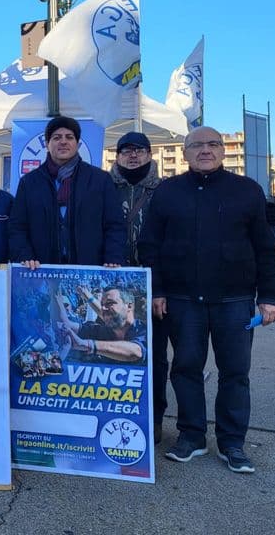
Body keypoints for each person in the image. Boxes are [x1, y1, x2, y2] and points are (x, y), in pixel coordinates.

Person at [139, 126, 275, 473]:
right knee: (186, 368)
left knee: (235, 372)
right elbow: (150, 246)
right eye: (197, 145)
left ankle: (233, 443)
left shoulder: (247, 191)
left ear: (222, 152)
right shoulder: (168, 192)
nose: (206, 150)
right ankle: (191, 435)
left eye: (214, 144)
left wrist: (270, 296)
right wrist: (156, 290)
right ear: (185, 153)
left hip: (234, 300)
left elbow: (267, 248)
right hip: (182, 299)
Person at [109, 130, 167, 442]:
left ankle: (155, 417)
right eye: (127, 150)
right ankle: (116, 413)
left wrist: (160, 286)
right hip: (113, 285)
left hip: (152, 285)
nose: (133, 155)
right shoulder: (104, 187)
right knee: (114, 353)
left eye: (140, 149)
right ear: (117, 156)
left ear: (149, 154)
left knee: (154, 356)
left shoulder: (165, 190)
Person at [9, 115, 126, 269]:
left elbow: (114, 225)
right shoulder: (30, 182)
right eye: (56, 137)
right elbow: (17, 227)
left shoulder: (100, 180)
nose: (63, 141)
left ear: (77, 144)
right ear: (47, 144)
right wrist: (25, 255)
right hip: (42, 269)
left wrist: (113, 256)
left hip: (90, 268)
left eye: (69, 137)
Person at [56, 287, 147, 365]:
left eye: (110, 303)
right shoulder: (101, 331)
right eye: (102, 305)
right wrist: (54, 290)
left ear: (129, 306)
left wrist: (86, 344)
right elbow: (64, 325)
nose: (103, 308)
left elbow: (136, 351)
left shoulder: (143, 330)